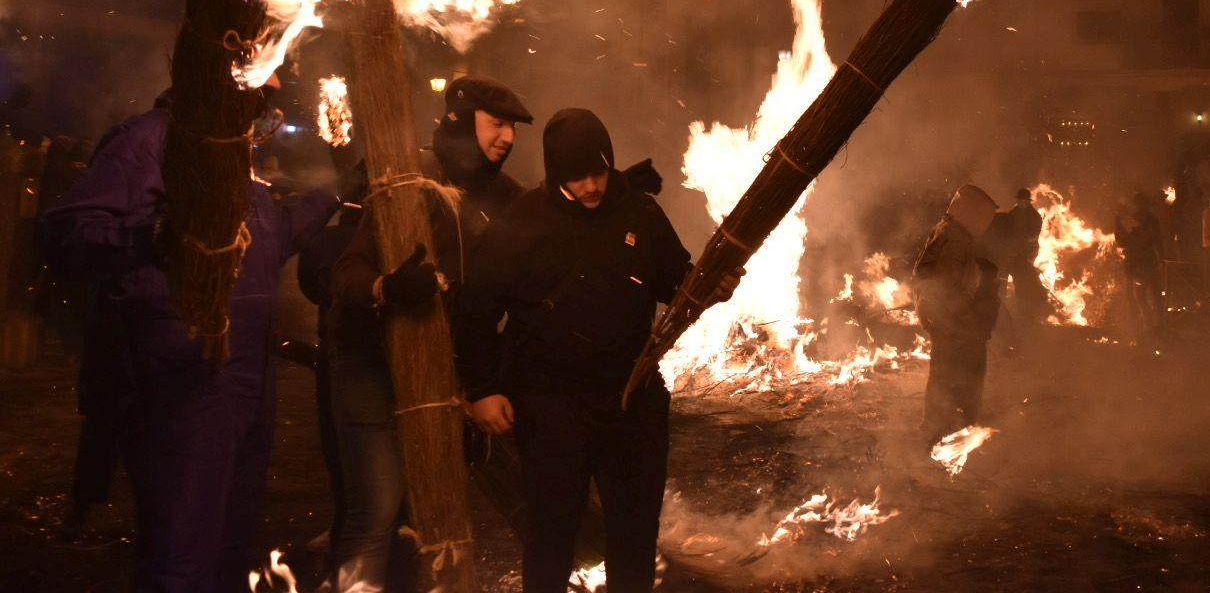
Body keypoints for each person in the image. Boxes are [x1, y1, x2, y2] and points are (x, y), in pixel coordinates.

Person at [39, 85, 340, 593]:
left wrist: (334, 192)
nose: (273, 93)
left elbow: (271, 240)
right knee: (182, 562)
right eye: (262, 79)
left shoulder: (235, 152)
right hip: (181, 382)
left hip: (247, 390)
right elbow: (69, 233)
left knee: (229, 556)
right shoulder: (150, 140)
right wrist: (158, 235)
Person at [454, 108, 737, 593]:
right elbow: (474, 310)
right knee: (550, 534)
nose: (590, 187)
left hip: (632, 398)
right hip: (550, 404)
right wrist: (482, 389)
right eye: (576, 177)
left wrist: (712, 286)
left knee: (634, 534)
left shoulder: (639, 211)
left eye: (598, 172)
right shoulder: (523, 223)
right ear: (554, 174)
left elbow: (677, 280)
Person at [317, 76, 534, 592]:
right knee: (376, 511)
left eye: (514, 127)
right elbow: (342, 274)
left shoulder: (505, 198)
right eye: (497, 123)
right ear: (462, 121)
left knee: (430, 511)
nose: (509, 137)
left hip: (443, 373)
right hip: (369, 363)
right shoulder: (404, 179)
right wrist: (388, 287)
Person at [912, 184, 1002, 446]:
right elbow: (946, 285)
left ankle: (943, 427)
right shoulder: (955, 238)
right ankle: (946, 430)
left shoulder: (949, 230)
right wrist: (968, 321)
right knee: (956, 371)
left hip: (943, 315)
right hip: (948, 317)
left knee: (946, 371)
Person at [985, 187, 1045, 326]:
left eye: (1024, 200)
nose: (1021, 203)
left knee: (1022, 281)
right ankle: (1001, 307)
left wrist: (1020, 240)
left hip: (1026, 254)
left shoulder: (1034, 217)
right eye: (1019, 200)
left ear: (1028, 201)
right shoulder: (1014, 212)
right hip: (1010, 253)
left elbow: (1033, 236)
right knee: (1002, 277)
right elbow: (1006, 226)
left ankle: (1022, 312)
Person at [1114, 191, 1165, 333]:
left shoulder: (1132, 220)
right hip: (1150, 262)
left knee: (1140, 296)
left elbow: (1122, 242)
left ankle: (1146, 325)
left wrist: (1118, 224)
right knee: (1155, 294)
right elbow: (1158, 241)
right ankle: (1158, 325)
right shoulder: (1151, 220)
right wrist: (1161, 259)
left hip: (1137, 264)